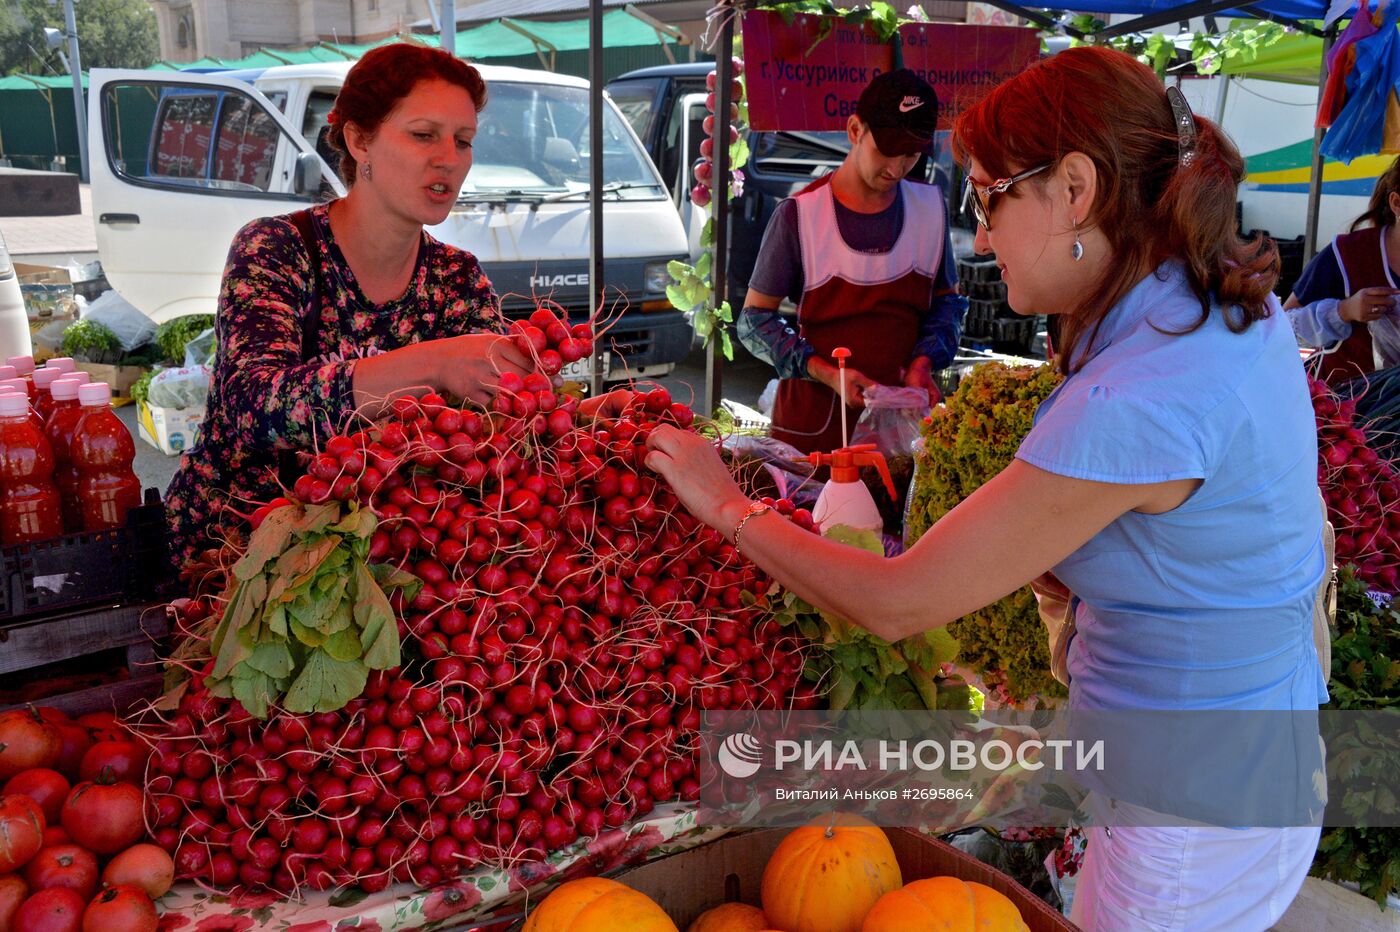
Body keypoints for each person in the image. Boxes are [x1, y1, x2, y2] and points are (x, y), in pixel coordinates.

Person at [648, 47, 1324, 930]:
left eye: (988, 198)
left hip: (1189, 811)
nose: (983, 236)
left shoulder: (1138, 395)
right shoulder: (1218, 307)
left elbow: (898, 601)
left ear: (1075, 189)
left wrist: (725, 504)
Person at [165, 43, 616, 567]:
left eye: (463, 140)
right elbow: (253, 406)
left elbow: (494, 429)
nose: (449, 158)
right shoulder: (277, 248)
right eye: (424, 135)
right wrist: (436, 363)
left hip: (382, 561)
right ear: (359, 140)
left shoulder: (456, 277)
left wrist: (584, 416)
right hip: (236, 560)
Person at [736, 69, 967, 454]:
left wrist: (923, 362)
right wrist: (827, 374)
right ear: (855, 130)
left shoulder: (930, 210)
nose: (896, 168)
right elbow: (754, 320)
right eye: (887, 150)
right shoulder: (799, 215)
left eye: (911, 154)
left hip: (900, 432)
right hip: (811, 433)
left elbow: (948, 303)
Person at [1284, 154, 1400, 382]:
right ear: (1396, 203)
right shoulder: (1347, 254)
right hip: (1343, 398)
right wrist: (1345, 310)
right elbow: (1283, 325)